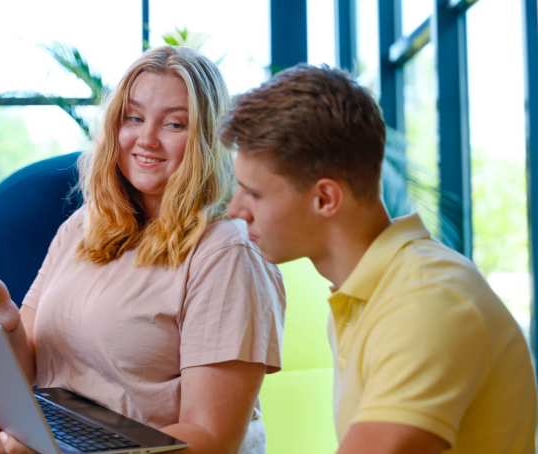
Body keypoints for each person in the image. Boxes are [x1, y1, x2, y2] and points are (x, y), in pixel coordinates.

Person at [0, 46, 285, 454]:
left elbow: (213, 440)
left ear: (206, 138)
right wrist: (9, 328)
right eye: (134, 117)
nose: (146, 139)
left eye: (175, 124)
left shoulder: (227, 253)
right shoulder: (84, 226)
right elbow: (38, 374)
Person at [222, 64, 537, 453]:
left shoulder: (426, 299)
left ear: (325, 199)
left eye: (253, 194)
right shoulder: (367, 294)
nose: (235, 210)